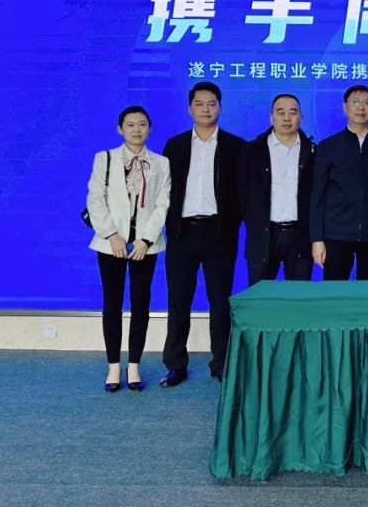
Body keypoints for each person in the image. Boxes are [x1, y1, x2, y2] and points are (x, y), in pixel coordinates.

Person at [161, 81, 244, 387]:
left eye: (211, 104)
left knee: (220, 302)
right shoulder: (175, 146)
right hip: (182, 233)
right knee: (178, 300)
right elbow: (164, 190)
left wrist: (232, 224)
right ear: (189, 108)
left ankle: (221, 363)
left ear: (220, 107)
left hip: (219, 233)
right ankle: (175, 364)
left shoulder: (236, 146)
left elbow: (244, 194)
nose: (206, 109)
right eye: (199, 104)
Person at [86, 106, 171, 392]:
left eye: (142, 124)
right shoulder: (105, 158)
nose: (137, 129)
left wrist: (146, 240)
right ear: (120, 129)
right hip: (111, 244)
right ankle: (113, 366)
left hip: (144, 246)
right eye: (131, 124)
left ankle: (134, 365)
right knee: (112, 304)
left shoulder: (161, 163)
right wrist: (112, 235)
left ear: (150, 128)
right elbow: (95, 199)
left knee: (140, 305)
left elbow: (162, 204)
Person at [310, 85, 368, 281]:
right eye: (355, 102)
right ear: (345, 107)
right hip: (336, 235)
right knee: (334, 292)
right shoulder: (328, 146)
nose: (361, 108)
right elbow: (318, 195)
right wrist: (317, 239)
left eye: (366, 103)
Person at [237, 93, 316, 284]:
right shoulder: (252, 151)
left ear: (301, 117)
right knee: (259, 295)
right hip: (264, 234)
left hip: (301, 235)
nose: (287, 118)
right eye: (281, 113)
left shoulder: (313, 152)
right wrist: (253, 220)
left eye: (293, 112)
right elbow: (241, 192)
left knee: (299, 295)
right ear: (271, 117)